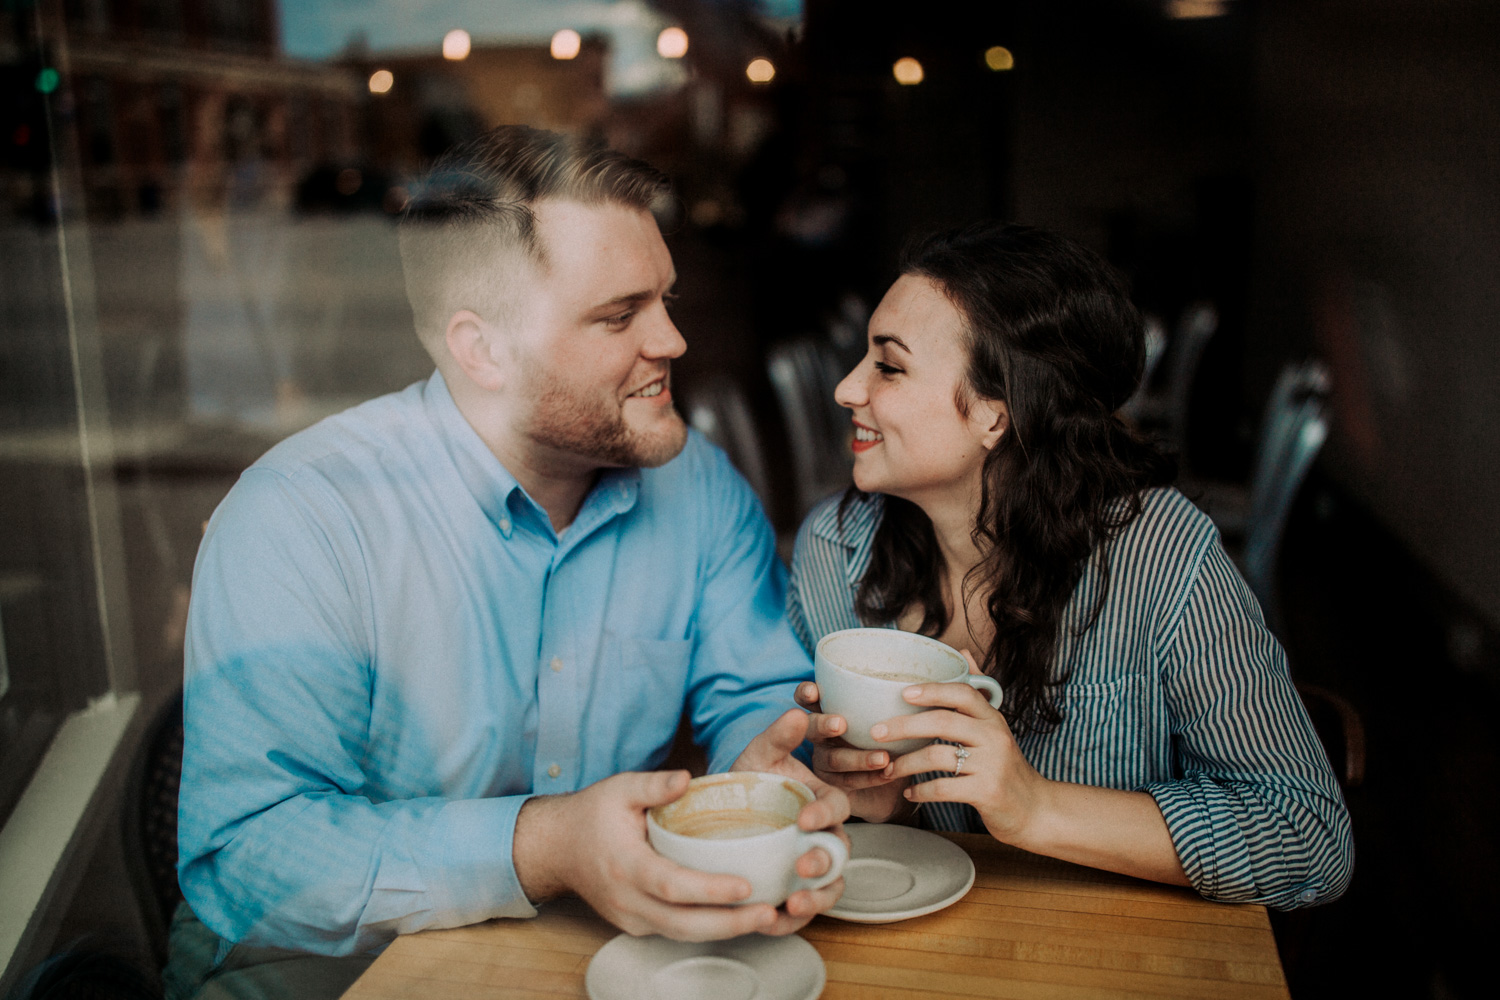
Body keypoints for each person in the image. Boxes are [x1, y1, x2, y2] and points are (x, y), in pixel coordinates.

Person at [168, 126, 847, 1000]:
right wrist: (544, 845)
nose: (674, 341)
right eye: (619, 314)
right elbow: (245, 857)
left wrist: (770, 772)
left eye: (666, 300)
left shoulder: (698, 486)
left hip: (582, 963)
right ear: (483, 349)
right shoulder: (302, 517)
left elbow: (752, 699)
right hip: (321, 981)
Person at [788, 221, 1353, 909]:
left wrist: (1037, 808)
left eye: (888, 365)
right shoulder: (834, 552)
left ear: (997, 413)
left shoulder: (1159, 556)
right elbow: (824, 810)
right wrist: (881, 802)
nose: (848, 389)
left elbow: (1309, 836)